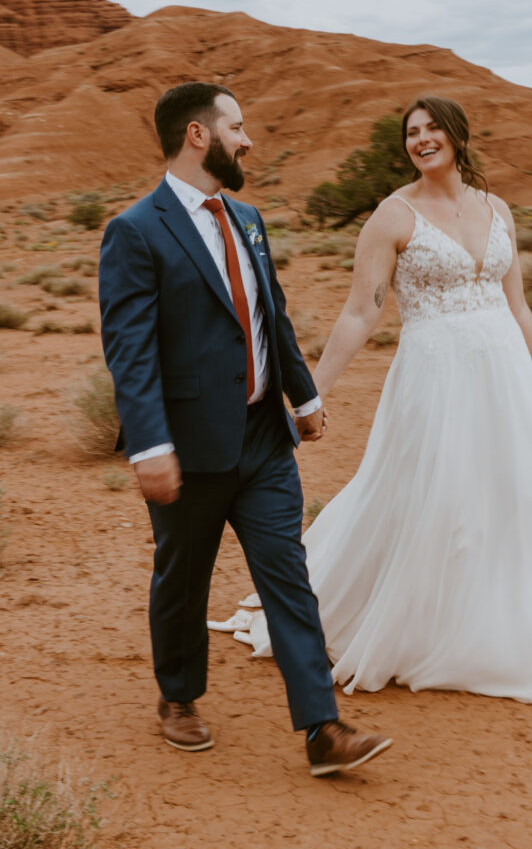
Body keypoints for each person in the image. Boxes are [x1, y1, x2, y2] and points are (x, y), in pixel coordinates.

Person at [213, 93, 532, 703]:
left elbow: (519, 304)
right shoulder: (392, 216)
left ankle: (524, 627)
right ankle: (431, 626)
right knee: (438, 494)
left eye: (432, 129)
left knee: (513, 496)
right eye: (411, 132)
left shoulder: (497, 208)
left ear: (456, 135)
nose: (421, 139)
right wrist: (308, 392)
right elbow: (360, 313)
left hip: (504, 372)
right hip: (436, 375)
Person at [98, 81, 392, 775]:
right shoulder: (135, 230)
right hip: (189, 446)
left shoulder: (248, 218)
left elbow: (272, 318)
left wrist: (304, 394)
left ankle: (322, 728)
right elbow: (130, 350)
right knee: (183, 577)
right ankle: (177, 697)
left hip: (263, 438)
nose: (247, 138)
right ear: (198, 135)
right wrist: (149, 444)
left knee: (287, 572)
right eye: (236, 126)